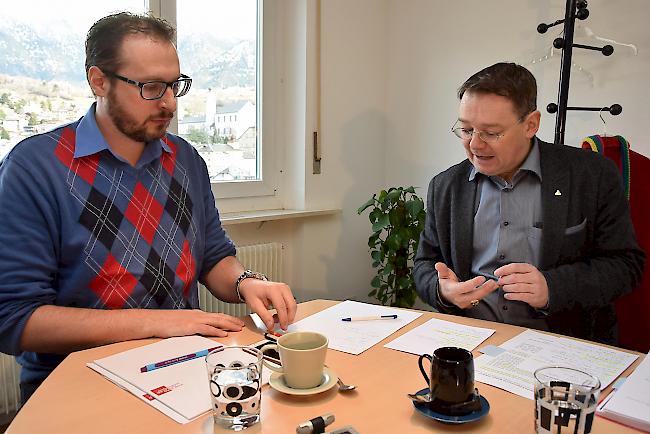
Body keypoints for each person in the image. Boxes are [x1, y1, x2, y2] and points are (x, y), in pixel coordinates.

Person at [0, 12, 296, 405]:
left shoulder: (186, 159)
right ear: (99, 81)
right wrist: (160, 324)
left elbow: (213, 258)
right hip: (76, 386)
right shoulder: (36, 167)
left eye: (175, 86)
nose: (170, 103)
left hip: (180, 373)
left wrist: (248, 283)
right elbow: (15, 318)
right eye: (152, 88)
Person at [413, 62, 644, 345]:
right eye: (466, 129)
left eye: (491, 132)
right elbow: (425, 262)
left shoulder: (591, 175)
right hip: (470, 341)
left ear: (531, 124)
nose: (474, 144)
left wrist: (553, 287)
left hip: (561, 343)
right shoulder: (446, 185)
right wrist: (442, 290)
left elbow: (626, 266)